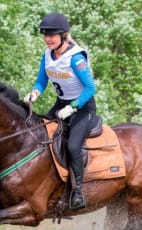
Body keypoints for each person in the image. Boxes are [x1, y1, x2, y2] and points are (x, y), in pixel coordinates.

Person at [24, 13, 97, 210]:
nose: (48, 38)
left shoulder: (75, 58)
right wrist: (35, 93)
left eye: (52, 35)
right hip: (61, 104)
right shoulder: (47, 55)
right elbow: (42, 79)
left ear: (63, 36)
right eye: (45, 35)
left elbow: (91, 88)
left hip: (83, 108)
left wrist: (73, 107)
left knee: (73, 146)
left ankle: (78, 192)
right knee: (36, 132)